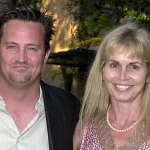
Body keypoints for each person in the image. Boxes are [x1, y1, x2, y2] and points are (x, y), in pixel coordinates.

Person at [0, 4, 80, 150]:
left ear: (45, 55)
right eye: (12, 46)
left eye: (32, 48)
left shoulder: (70, 111)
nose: (21, 58)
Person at [73, 22, 150, 150]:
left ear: (148, 74)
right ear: (102, 70)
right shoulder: (84, 129)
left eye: (134, 66)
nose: (122, 76)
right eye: (114, 65)